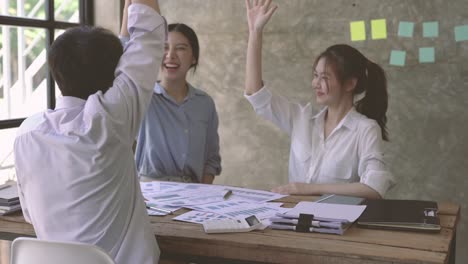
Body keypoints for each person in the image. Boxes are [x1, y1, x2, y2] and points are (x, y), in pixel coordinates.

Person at [14, 0, 166, 263]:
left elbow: (29, 215)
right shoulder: (110, 121)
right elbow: (149, 33)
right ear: (113, 77)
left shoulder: (27, 134)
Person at [244, 0, 395, 199]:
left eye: (325, 77)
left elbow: (374, 189)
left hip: (338, 224)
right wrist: (255, 33)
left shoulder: (365, 129)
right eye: (315, 75)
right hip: (294, 220)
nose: (316, 83)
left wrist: (308, 189)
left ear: (350, 84)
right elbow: (256, 94)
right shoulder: (301, 119)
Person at [120, 19, 221, 184]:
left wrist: (201, 194)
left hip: (194, 194)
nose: (170, 55)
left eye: (180, 48)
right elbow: (124, 62)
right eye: (164, 47)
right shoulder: (144, 96)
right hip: (150, 192)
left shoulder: (205, 103)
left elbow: (211, 159)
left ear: (194, 57)